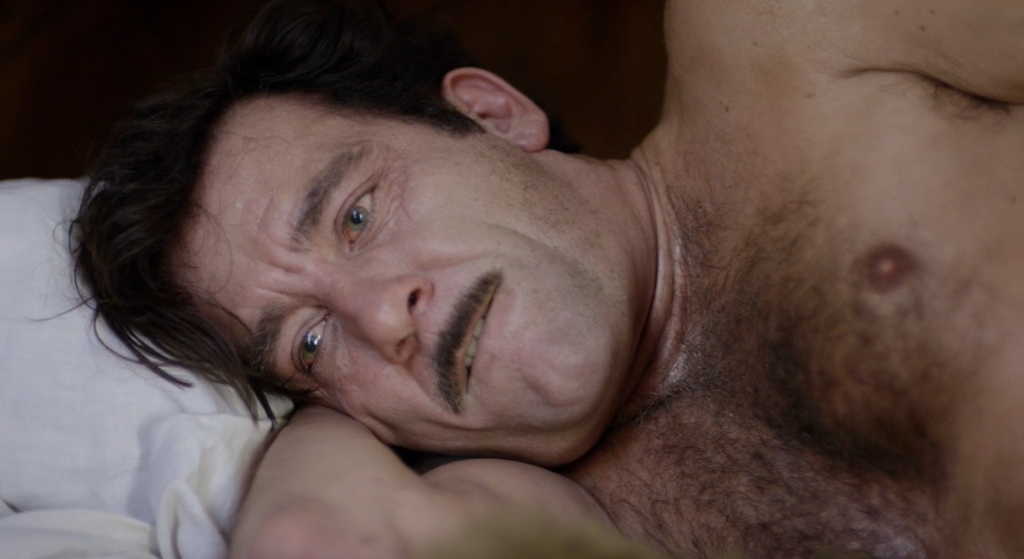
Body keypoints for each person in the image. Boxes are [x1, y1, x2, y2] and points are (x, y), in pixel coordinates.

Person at [73, 0, 1024, 557]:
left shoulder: (789, 40)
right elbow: (318, 541)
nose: (380, 315)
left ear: (493, 115)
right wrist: (329, 405)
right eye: (312, 340)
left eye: (357, 215)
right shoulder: (562, 509)